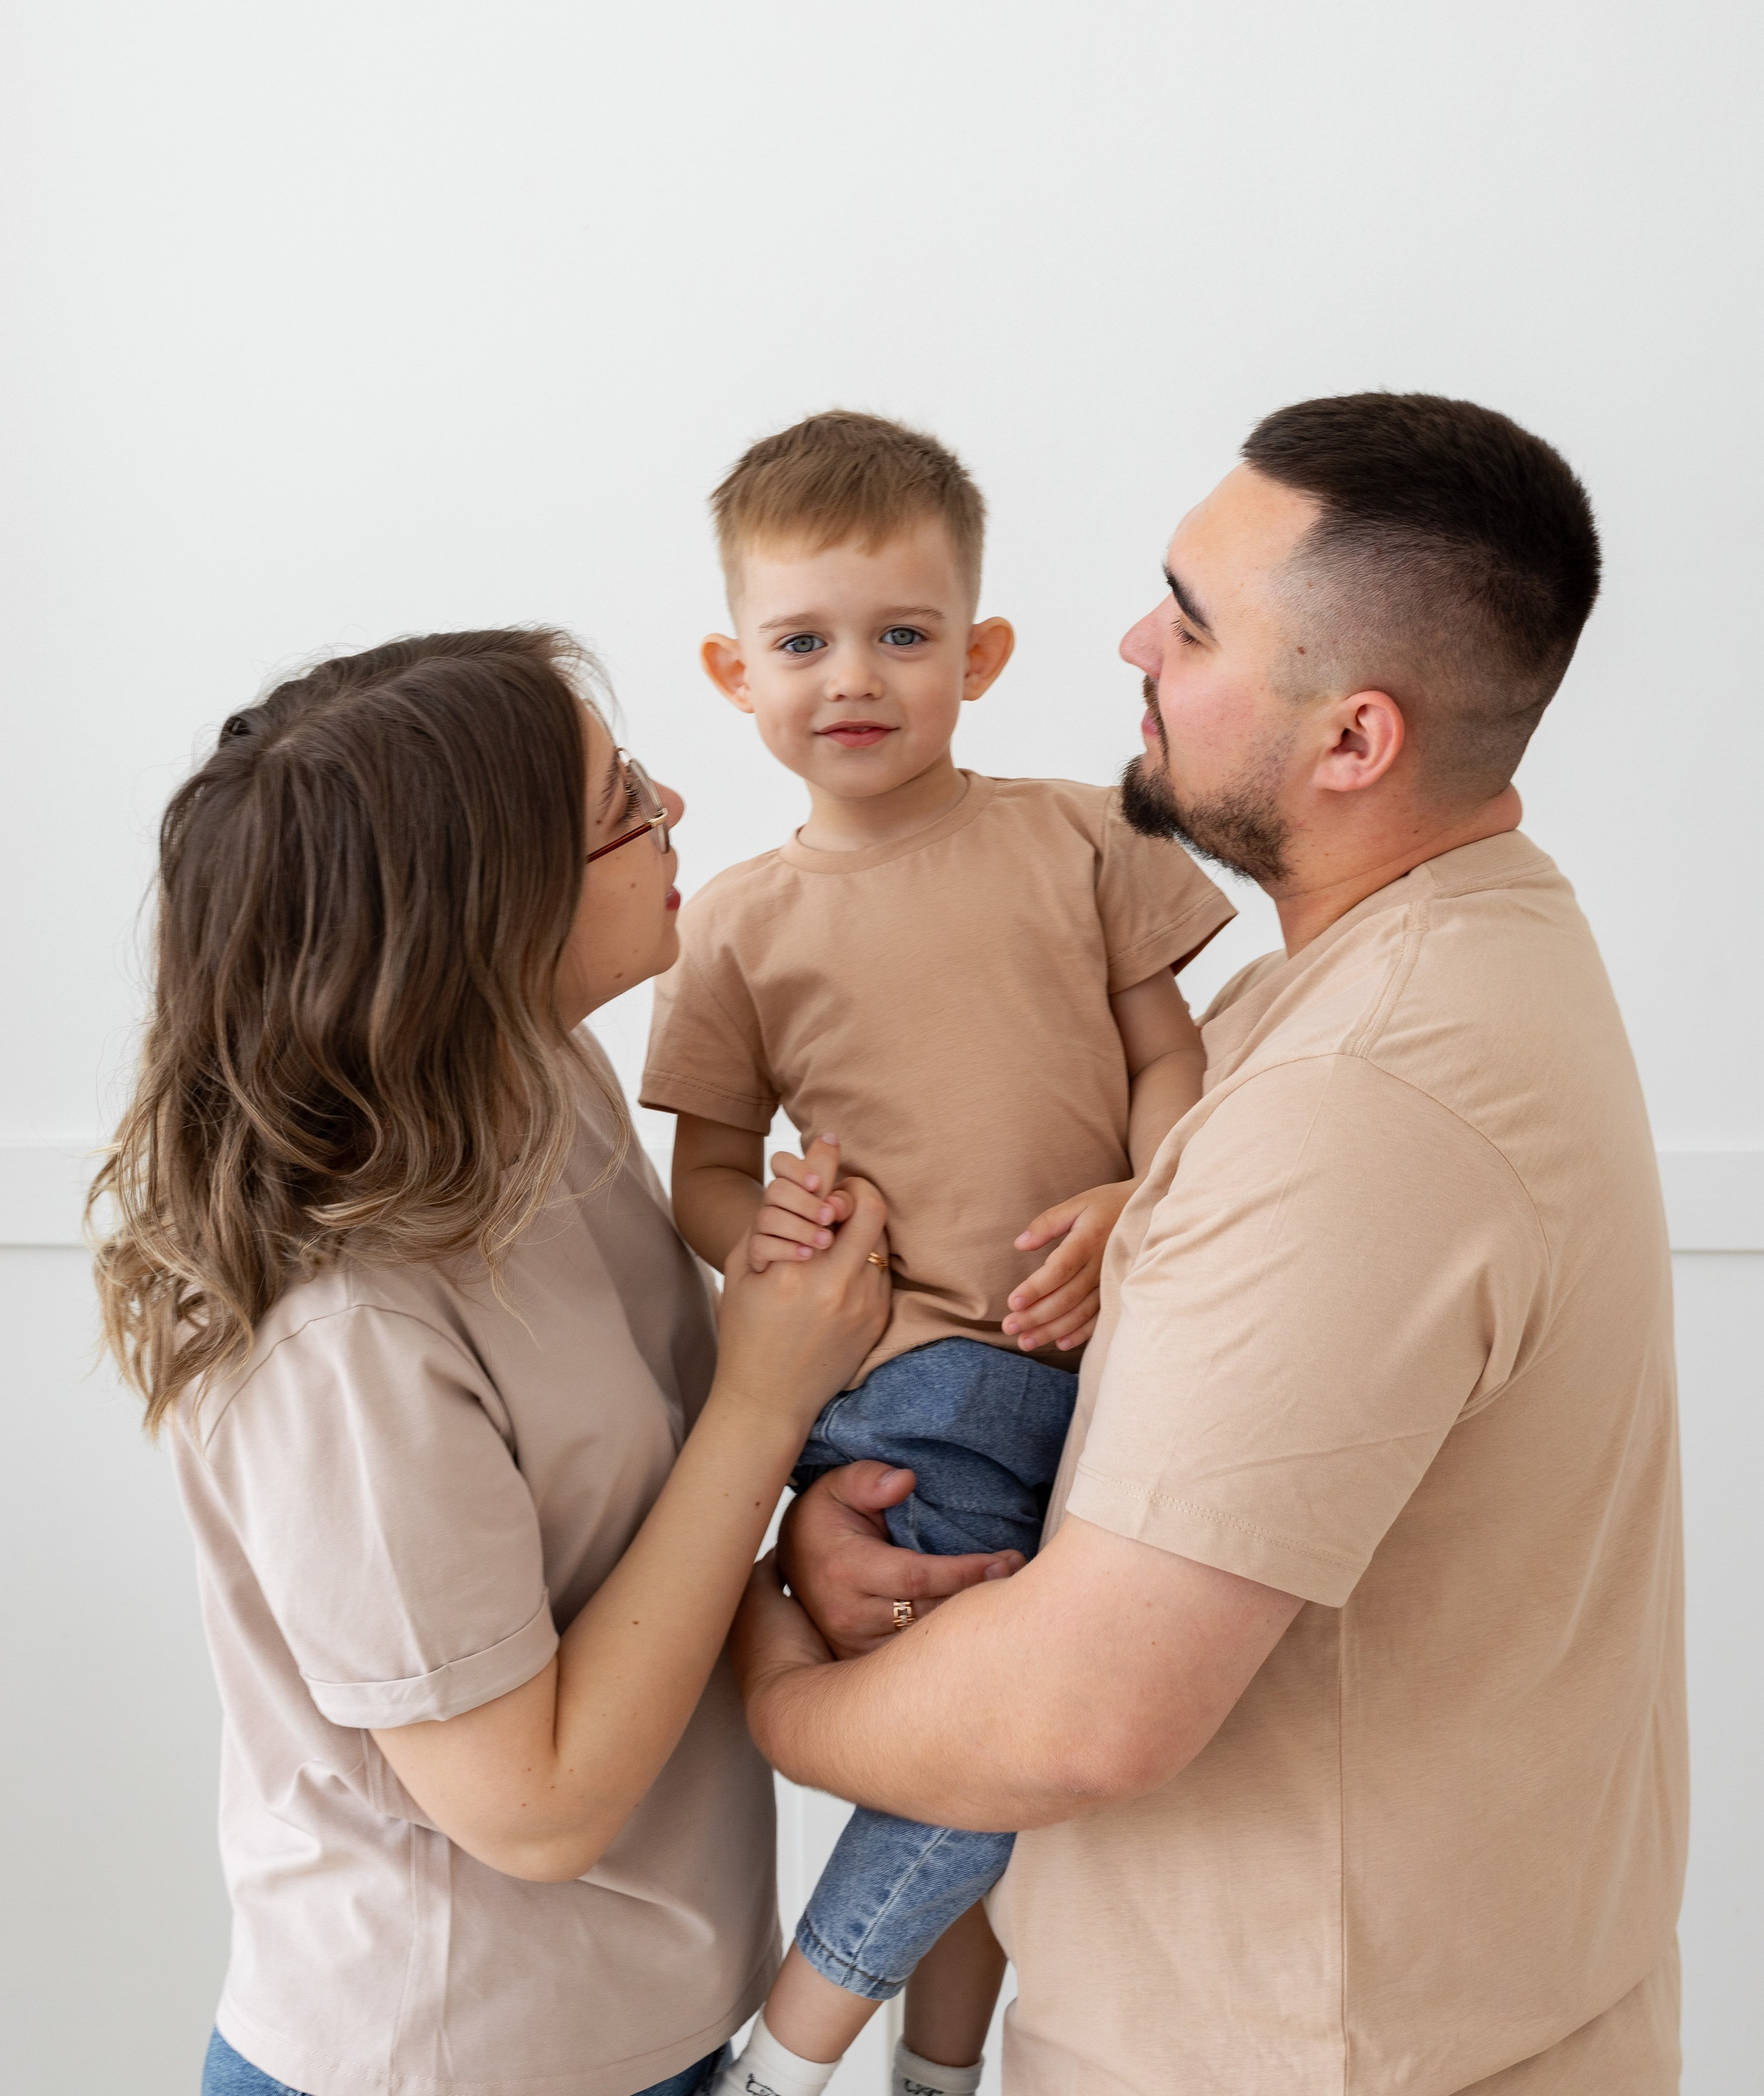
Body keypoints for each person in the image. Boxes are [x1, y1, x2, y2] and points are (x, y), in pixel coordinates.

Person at [736, 393, 1687, 2096]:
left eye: (1186, 625)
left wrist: (773, 1685)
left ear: (1353, 741)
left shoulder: (1361, 1098)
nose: (1131, 646)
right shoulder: (1370, 980)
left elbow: (1079, 1710)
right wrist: (873, 1527)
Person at [90, 628, 892, 2096]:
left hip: (640, 2025)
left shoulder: (531, 1080)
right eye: (622, 803)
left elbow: (617, 1531)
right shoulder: (346, 1339)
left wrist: (792, 1539)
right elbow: (532, 1810)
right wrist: (767, 1400)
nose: (672, 809)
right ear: (495, 912)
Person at [639, 412, 1233, 2096]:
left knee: (1012, 1765)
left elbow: (1169, 1057)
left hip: (1107, 1369)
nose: (854, 678)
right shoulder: (734, 924)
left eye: (902, 636)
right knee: (991, 1745)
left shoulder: (1084, 836)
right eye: (801, 643)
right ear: (732, 671)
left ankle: (940, 2069)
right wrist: (760, 1228)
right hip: (916, 1387)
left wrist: (1133, 1201)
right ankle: (786, 2059)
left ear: (978, 655)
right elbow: (701, 1177)